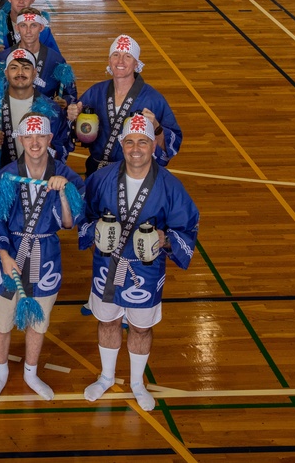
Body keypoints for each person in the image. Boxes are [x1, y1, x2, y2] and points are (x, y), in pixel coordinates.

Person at [78, 113, 199, 411]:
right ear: (121, 143)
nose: (135, 148)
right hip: (106, 267)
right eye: (129, 141)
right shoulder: (101, 179)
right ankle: (106, 376)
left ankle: (136, 382)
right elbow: (82, 217)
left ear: (153, 145)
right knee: (107, 321)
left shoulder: (170, 186)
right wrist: (94, 231)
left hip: (145, 271)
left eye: (142, 142)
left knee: (141, 328)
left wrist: (164, 238)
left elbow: (187, 226)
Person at [0, 113, 84, 400]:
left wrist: (63, 193)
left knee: (38, 323)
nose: (35, 142)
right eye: (29, 136)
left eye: (41, 136)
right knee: (2, 322)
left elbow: (67, 223)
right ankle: (1, 371)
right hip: (9, 252)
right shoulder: (6, 174)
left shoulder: (65, 174)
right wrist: (2, 253)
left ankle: (31, 372)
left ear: (50, 138)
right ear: (21, 138)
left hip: (45, 254)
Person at [68, 35, 182, 176]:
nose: (120, 61)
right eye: (116, 55)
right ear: (110, 61)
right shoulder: (96, 92)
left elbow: (171, 146)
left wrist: (156, 127)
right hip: (97, 171)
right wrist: (72, 116)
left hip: (135, 173)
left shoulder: (153, 99)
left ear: (136, 64)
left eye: (127, 56)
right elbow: (73, 133)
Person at [0, 49, 72, 178]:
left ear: (34, 73)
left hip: (42, 181)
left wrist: (48, 143)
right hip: (4, 180)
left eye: (26, 68)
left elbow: (62, 150)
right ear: (6, 73)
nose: (20, 73)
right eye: (14, 68)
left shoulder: (52, 110)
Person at [0, 9, 76, 105]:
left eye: (33, 25)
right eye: (23, 25)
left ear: (41, 27)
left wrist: (65, 101)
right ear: (17, 27)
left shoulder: (56, 60)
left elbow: (70, 95)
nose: (28, 31)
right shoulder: (3, 58)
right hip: (11, 113)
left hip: (45, 116)